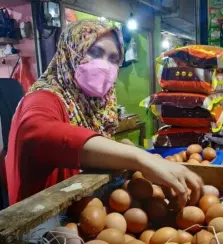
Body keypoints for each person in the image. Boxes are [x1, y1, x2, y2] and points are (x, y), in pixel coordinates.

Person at [5, 20, 203, 207]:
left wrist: (123, 149)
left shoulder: (91, 104)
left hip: (79, 207)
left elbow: (91, 145)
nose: (104, 66)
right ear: (70, 52)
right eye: (94, 52)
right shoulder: (43, 98)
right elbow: (37, 131)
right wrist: (140, 158)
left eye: (114, 59)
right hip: (42, 218)